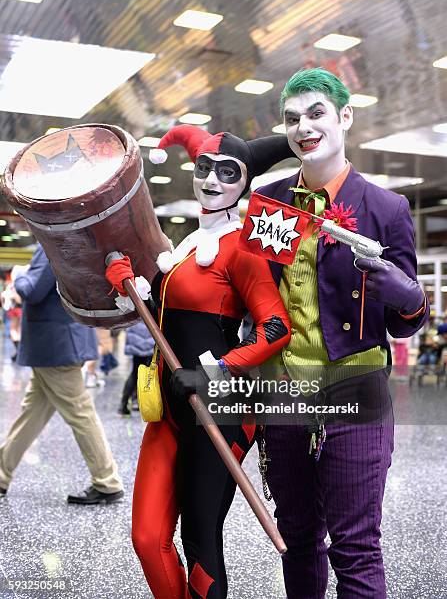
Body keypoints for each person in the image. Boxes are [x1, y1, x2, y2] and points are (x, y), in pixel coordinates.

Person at [254, 68, 429, 598]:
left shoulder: (387, 209)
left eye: (315, 113)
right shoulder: (270, 201)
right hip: (284, 394)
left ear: (344, 116)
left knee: (355, 546)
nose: (303, 127)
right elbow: (254, 296)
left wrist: (407, 296)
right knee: (298, 538)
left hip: (357, 393)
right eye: (292, 119)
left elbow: (406, 322)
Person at [106, 124, 293, 598]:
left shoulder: (244, 247)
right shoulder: (187, 245)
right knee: (149, 538)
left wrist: (217, 372)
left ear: (245, 182)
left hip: (219, 411)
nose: (211, 180)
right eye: (204, 167)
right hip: (170, 409)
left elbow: (276, 328)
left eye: (228, 173)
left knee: (200, 542)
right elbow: (167, 319)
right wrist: (129, 283)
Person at [0, 244, 124, 505]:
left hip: (54, 345)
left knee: (80, 413)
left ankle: (107, 481)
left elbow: (32, 291)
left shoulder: (50, 247)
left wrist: (19, 274)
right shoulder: (67, 243)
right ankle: (1, 473)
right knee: (31, 413)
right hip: (58, 343)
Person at [119, 321, 155, 415]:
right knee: (145, 373)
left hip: (135, 332)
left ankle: (124, 403)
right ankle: (141, 402)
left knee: (135, 373)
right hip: (149, 335)